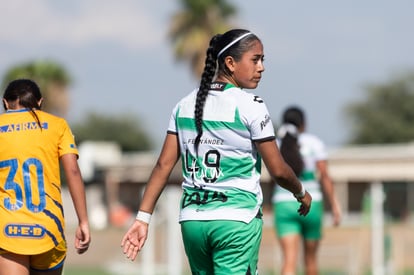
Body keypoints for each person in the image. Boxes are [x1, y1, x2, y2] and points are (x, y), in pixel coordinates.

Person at [121, 28, 312, 275]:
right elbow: (278, 170)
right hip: (236, 220)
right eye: (255, 59)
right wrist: (301, 191)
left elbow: (163, 166)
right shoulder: (251, 106)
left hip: (192, 221)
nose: (261, 67)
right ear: (230, 63)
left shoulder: (184, 105)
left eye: (263, 60)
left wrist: (142, 218)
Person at [0, 79, 91, 275]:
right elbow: (73, 172)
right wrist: (83, 221)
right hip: (48, 228)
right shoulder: (58, 125)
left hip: (6, 228)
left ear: (5, 103)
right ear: (40, 102)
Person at [272, 105, 342, 275]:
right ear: (303, 123)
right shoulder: (314, 143)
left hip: (283, 204)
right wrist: (335, 205)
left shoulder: (276, 144)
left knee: (289, 261)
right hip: (312, 203)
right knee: (310, 261)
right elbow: (325, 175)